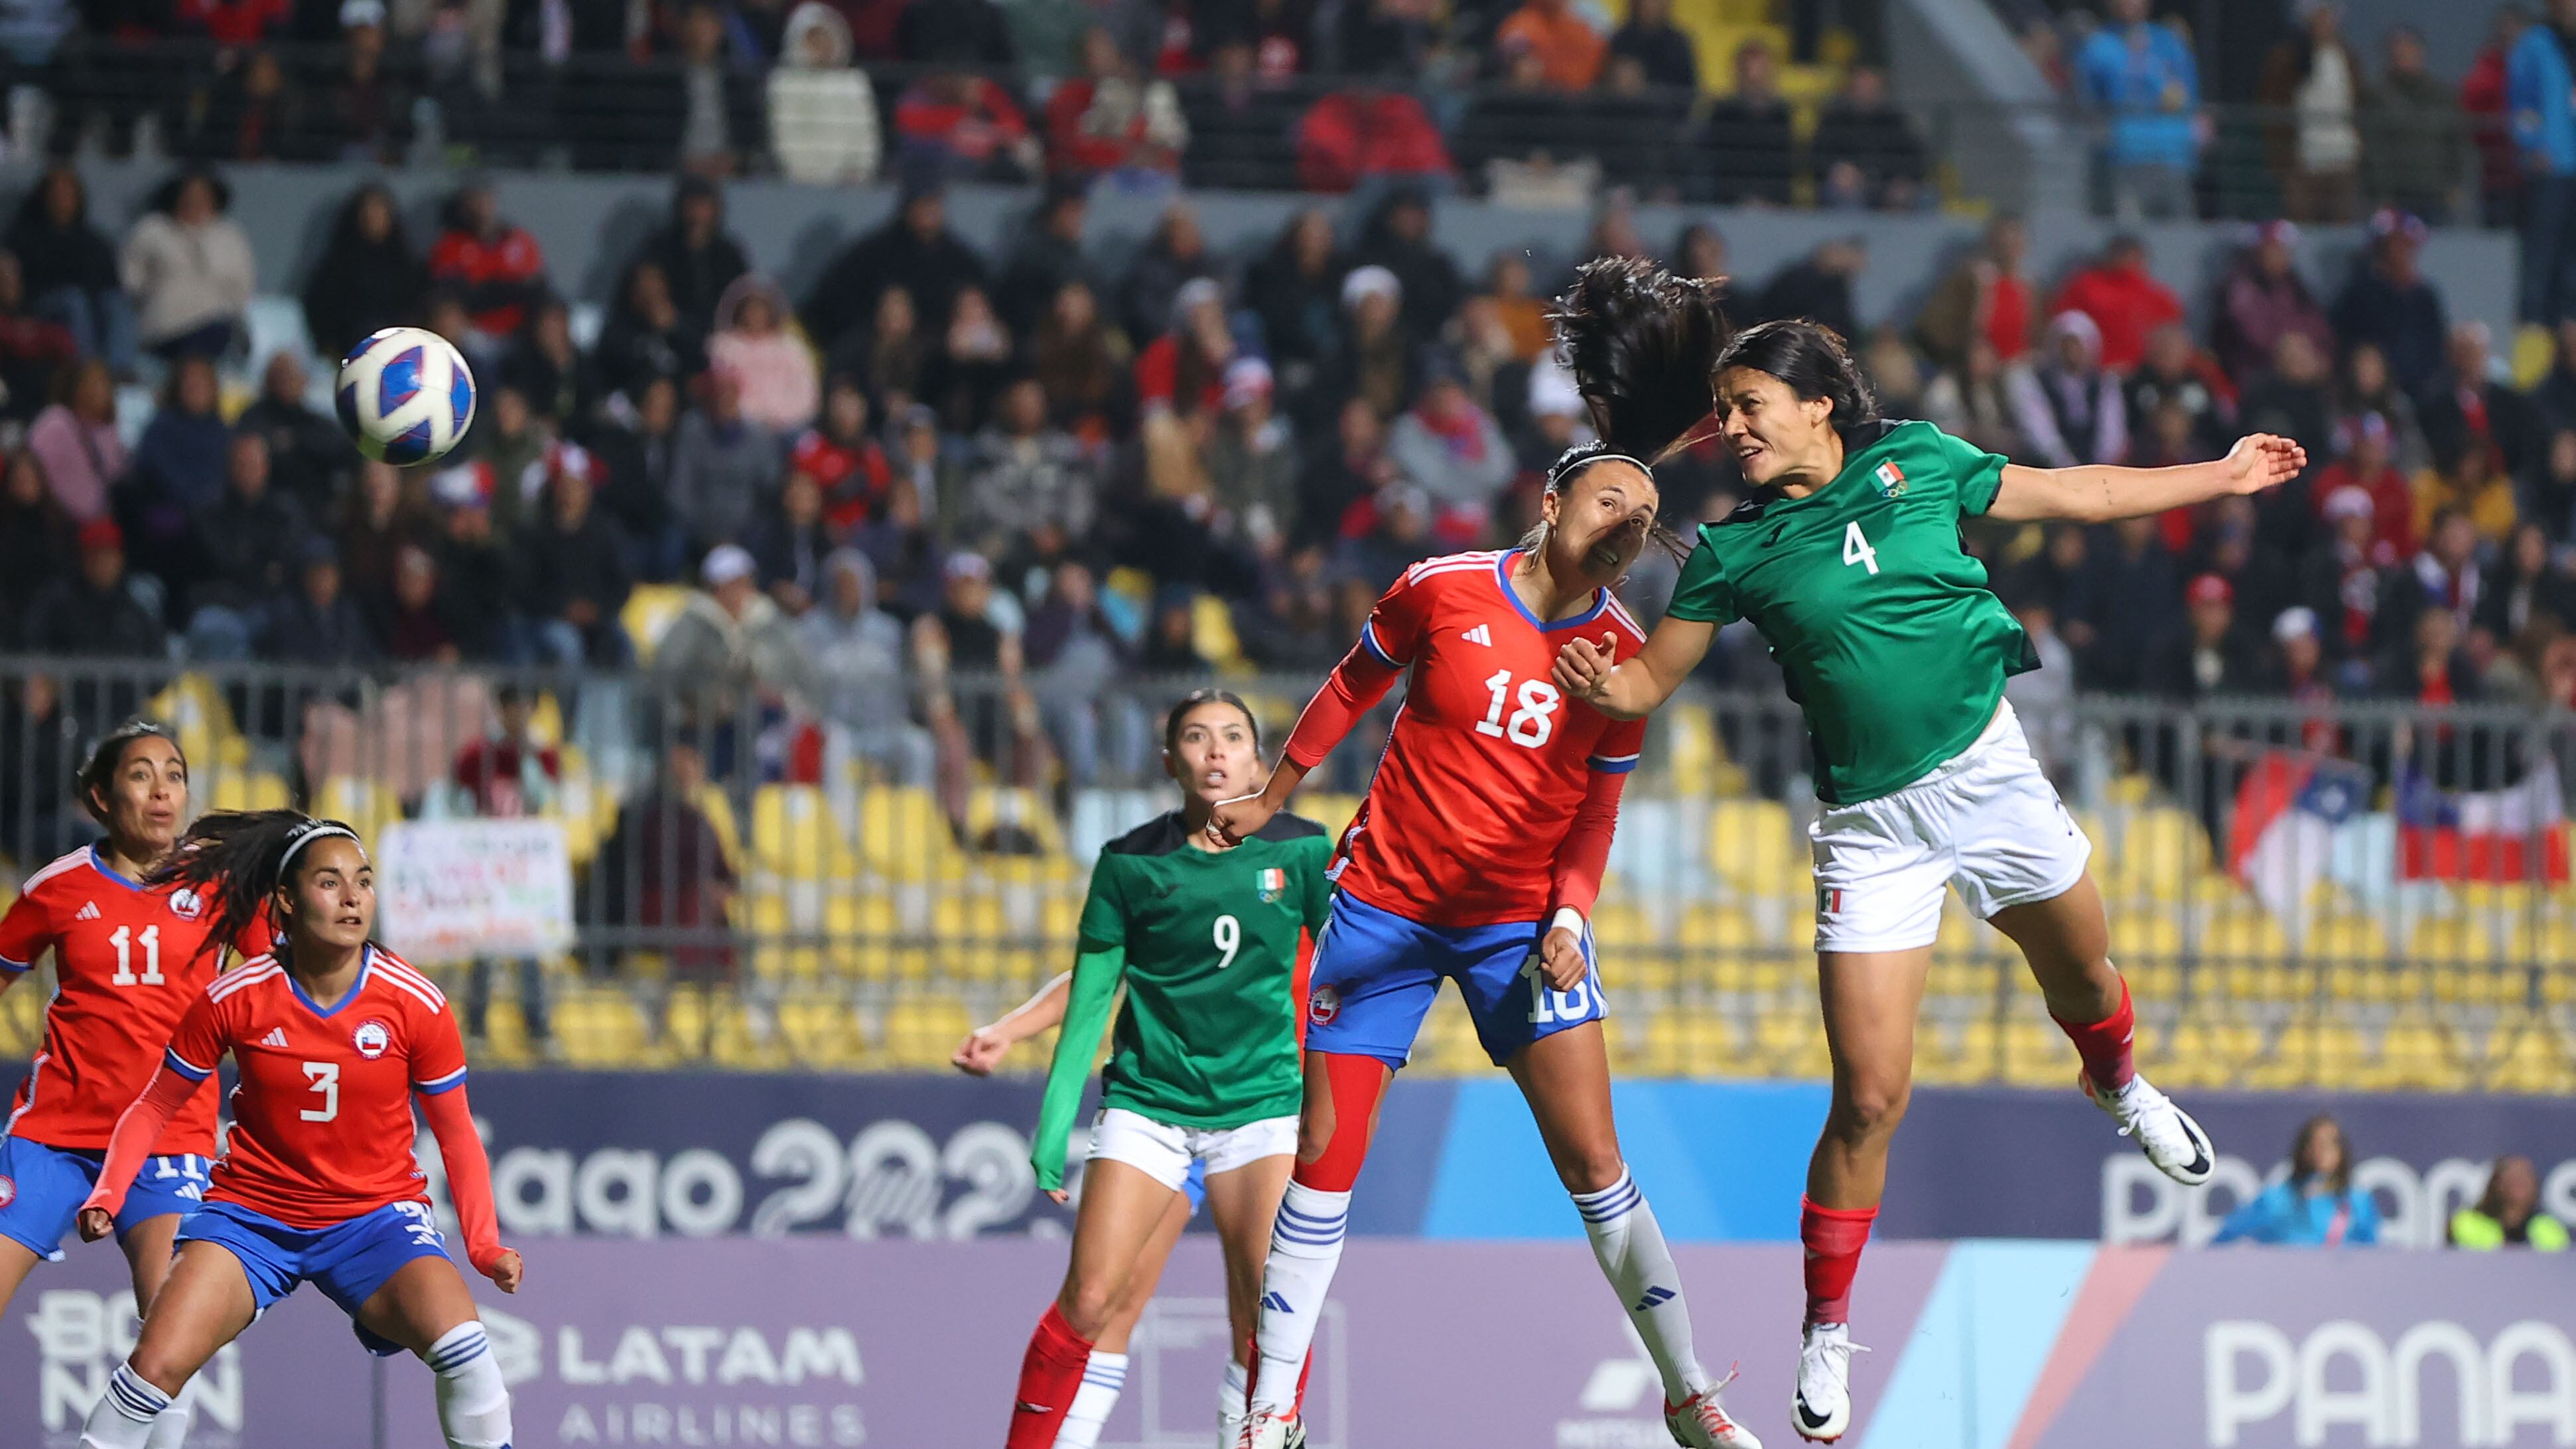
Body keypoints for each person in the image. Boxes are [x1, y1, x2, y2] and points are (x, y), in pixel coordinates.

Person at [1554, 309, 2305, 1441]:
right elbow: (1644, 685)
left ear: (1815, 403)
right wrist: (1582, 668)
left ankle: (2118, 1086)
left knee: (2087, 978)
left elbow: (2082, 494)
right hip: (1869, 829)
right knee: (1866, 1093)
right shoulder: (1731, 549)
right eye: (1723, 411)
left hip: (1991, 773)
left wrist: (2222, 473)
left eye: (1749, 404)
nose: (1732, 428)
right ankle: (1824, 1324)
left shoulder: (1924, 461)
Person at [1220, 261, 1756, 1449]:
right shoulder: (1442, 590)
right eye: (1609, 494)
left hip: (1517, 925)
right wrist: (1281, 784)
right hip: (1381, 910)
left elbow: (1596, 813)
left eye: (1639, 511)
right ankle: (1267, 1412)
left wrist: (1569, 914)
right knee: (1323, 1160)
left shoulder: (1622, 659)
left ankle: (1688, 1394)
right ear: (1555, 497)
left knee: (1595, 1163)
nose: (1625, 516)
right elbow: (1353, 681)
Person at [69, 811, 521, 1449]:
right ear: (285, 900)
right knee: (151, 1372)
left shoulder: (415, 1002)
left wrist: (483, 1246)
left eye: (362, 882)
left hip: (375, 1219)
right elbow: (153, 1106)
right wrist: (108, 1193)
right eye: (330, 882)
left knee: (469, 1355)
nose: (351, 898)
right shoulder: (236, 996)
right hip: (251, 1220)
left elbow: (457, 1135)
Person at [1001, 693, 1331, 1449]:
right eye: (1195, 736)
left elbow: (1343, 977)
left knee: (1265, 1315)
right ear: (1168, 760)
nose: (1215, 751)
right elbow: (1089, 1000)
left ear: (1258, 759)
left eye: (1232, 737)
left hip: (1262, 1107)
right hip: (1150, 1105)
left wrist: (1336, 1102)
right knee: (1089, 1299)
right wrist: (1054, 1127)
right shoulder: (1129, 864)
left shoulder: (1304, 851)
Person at [0, 726, 265, 1449]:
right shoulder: (56, 889)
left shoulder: (221, 890)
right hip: (52, 1136)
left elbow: (277, 991)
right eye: (142, 775)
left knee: (172, 1332)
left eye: (174, 775)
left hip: (168, 1142)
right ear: (100, 797)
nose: (160, 791)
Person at [121, 169, 255, 362]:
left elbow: (244, 284)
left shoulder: (230, 236)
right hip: (161, 327)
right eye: (189, 195)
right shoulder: (151, 230)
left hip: (216, 325)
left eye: (202, 196)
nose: (195, 202)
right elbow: (131, 279)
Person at [2212, 1115, 2379, 1246]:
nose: (2321, 1151)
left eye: (2331, 1143)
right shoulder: (2277, 1199)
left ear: (2342, 1151)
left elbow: (2370, 1254)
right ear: (2302, 1150)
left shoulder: (2357, 1201)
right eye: (2315, 1144)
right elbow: (2227, 1234)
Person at [769, 1, 880, 184]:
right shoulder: (784, 82)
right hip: (801, 183)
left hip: (851, 185)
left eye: (826, 38)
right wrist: (805, 175)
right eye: (813, 39)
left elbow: (866, 136)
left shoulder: (854, 82)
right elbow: (785, 136)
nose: (821, 46)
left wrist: (860, 170)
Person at [2450, 1154, 2570, 1250]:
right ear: (2497, 1184)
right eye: (2514, 1178)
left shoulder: (2549, 1227)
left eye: (2526, 1178)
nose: (2521, 1184)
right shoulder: (2467, 1222)